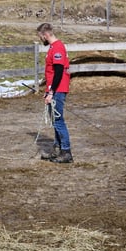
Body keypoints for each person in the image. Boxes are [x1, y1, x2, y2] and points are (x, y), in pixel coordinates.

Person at [36, 23, 73, 163]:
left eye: (41, 37)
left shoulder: (57, 47)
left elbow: (58, 72)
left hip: (58, 90)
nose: (41, 39)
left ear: (45, 34)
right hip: (54, 89)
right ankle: (57, 149)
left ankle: (66, 151)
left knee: (58, 121)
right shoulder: (52, 48)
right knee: (55, 121)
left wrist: (51, 91)